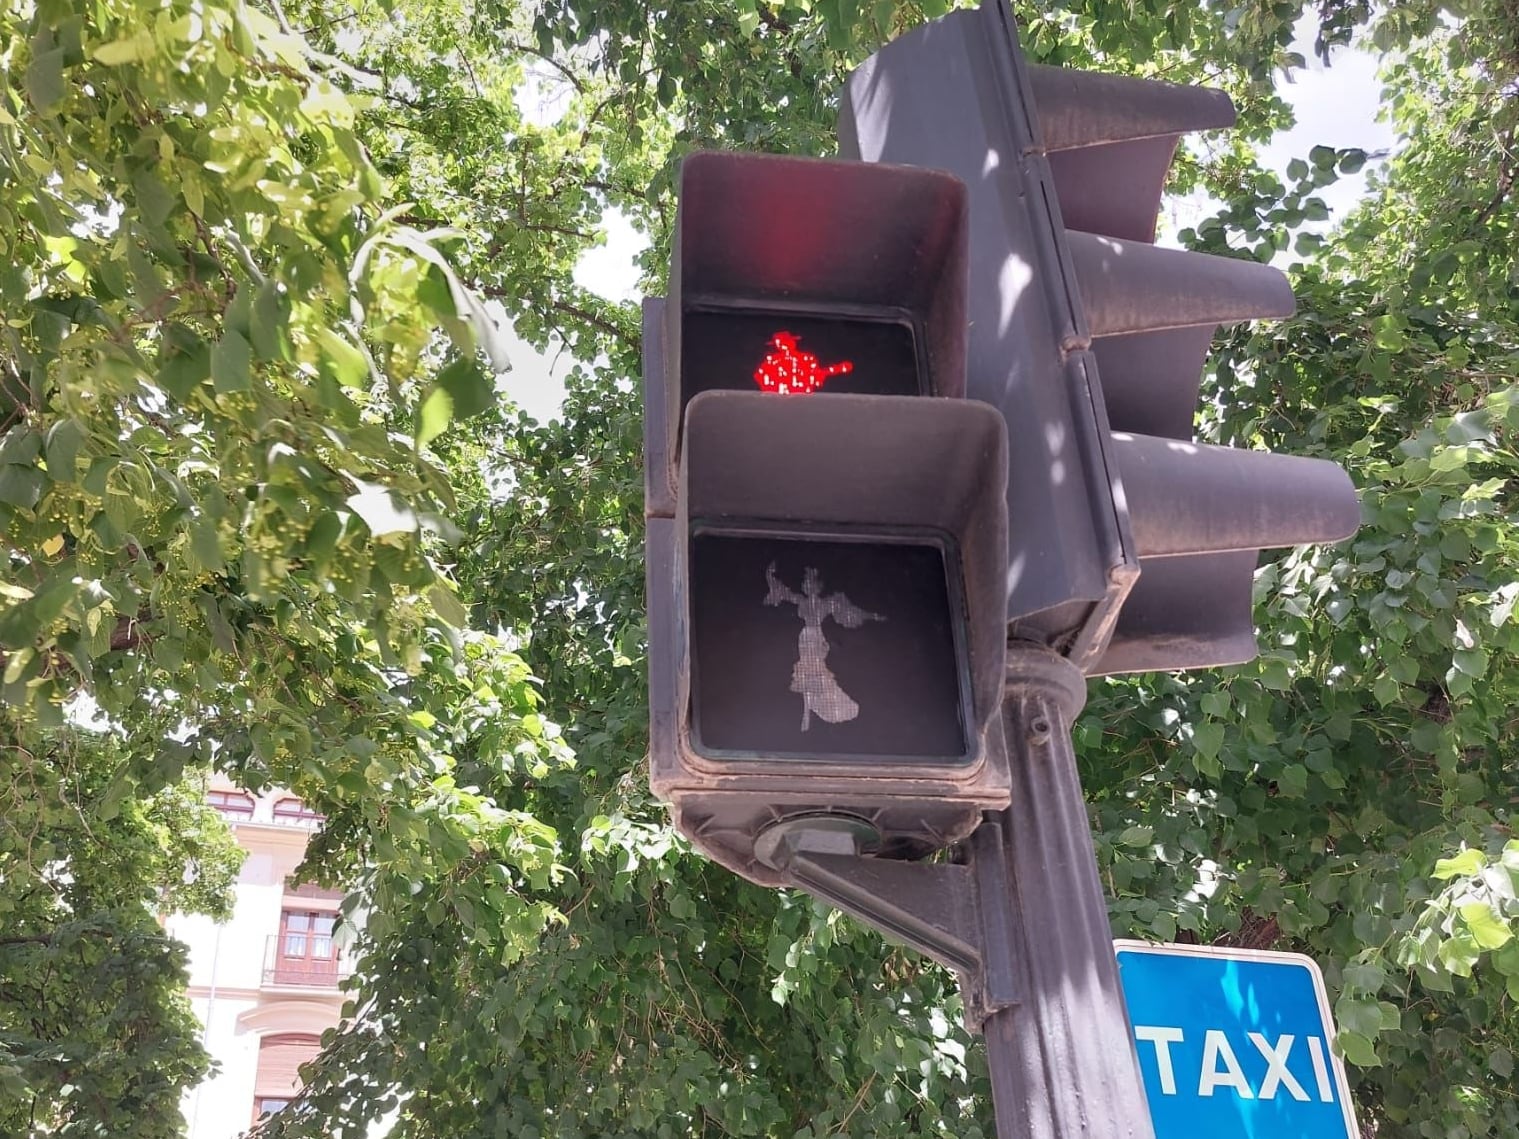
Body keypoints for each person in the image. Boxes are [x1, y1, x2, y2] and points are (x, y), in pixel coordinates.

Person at [764, 562, 885, 731]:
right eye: (805, 585)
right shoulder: (801, 600)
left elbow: (852, 611)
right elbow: (782, 590)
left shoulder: (828, 603)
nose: (808, 588)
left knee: (816, 671)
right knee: (807, 671)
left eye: (811, 585)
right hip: (806, 637)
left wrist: (873, 616)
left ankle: (815, 709)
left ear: (818, 587)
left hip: (816, 638)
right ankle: (806, 712)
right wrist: (769, 574)